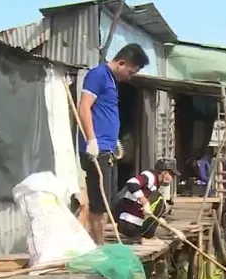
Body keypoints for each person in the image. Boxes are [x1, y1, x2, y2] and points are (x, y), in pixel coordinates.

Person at [78, 43, 149, 245]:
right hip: (96, 150)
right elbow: (83, 107)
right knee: (99, 203)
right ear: (121, 63)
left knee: (107, 200)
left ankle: (98, 242)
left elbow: (104, 113)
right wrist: (91, 140)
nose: (130, 76)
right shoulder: (98, 75)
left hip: (107, 149)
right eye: (130, 71)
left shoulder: (111, 81)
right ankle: (98, 246)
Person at [113, 159, 184, 243]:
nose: (172, 179)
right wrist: (145, 202)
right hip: (129, 223)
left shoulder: (154, 186)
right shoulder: (150, 176)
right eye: (172, 175)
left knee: (158, 201)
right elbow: (132, 183)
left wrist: (173, 230)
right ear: (165, 173)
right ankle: (146, 237)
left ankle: (143, 235)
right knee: (159, 200)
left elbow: (154, 216)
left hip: (130, 226)